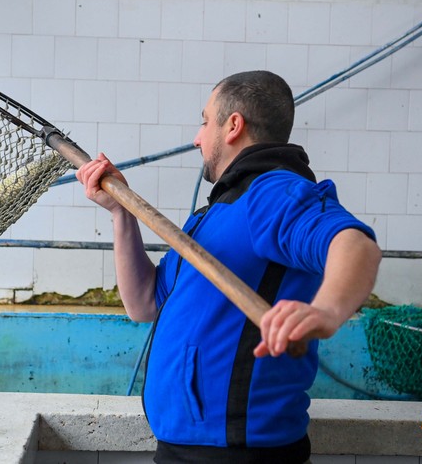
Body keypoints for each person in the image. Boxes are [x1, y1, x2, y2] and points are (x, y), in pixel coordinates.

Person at [75, 70, 381, 463]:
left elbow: (356, 245)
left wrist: (326, 311)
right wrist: (121, 213)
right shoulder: (213, 217)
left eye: (205, 122)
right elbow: (144, 303)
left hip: (237, 453)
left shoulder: (272, 193)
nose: (197, 138)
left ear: (233, 125)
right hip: (187, 448)